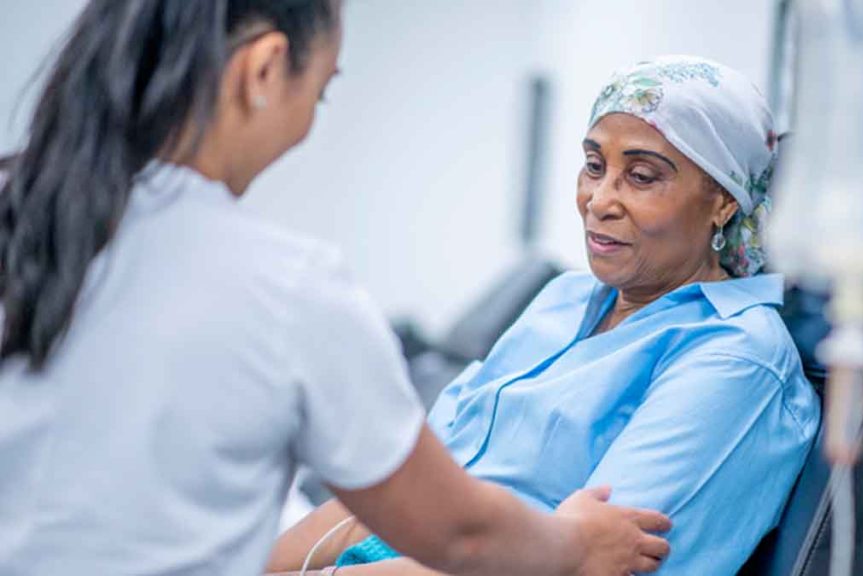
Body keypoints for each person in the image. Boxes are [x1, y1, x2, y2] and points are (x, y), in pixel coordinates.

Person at [0, 1, 672, 575]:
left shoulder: (16, 206)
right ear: (263, 71)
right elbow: (461, 532)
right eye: (318, 91)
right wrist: (576, 542)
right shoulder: (286, 289)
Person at [270, 56, 821, 576]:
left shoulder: (735, 356)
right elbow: (405, 496)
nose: (599, 200)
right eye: (594, 166)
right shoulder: (564, 298)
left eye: (642, 176)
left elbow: (591, 562)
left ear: (723, 200)